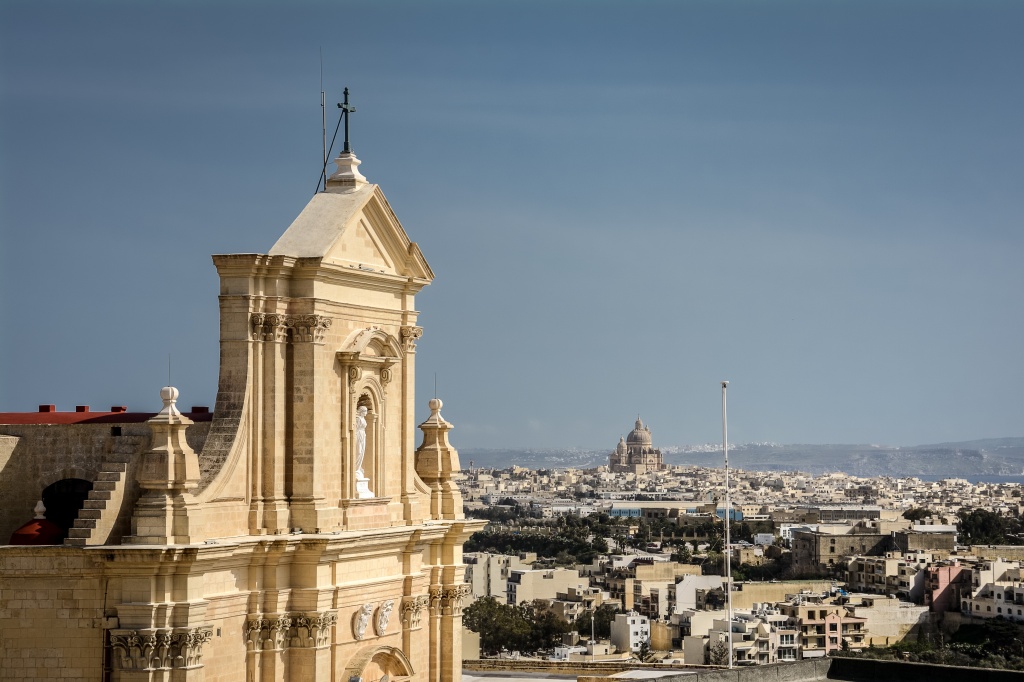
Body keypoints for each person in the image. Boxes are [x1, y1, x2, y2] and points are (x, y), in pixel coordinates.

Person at [355, 405, 368, 478]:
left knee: (362, 451)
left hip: (363, 435)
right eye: (365, 411)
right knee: (358, 451)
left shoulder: (363, 419)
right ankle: (356, 467)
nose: (366, 412)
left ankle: (358, 467)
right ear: (362, 411)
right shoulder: (358, 418)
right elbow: (356, 428)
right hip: (359, 435)